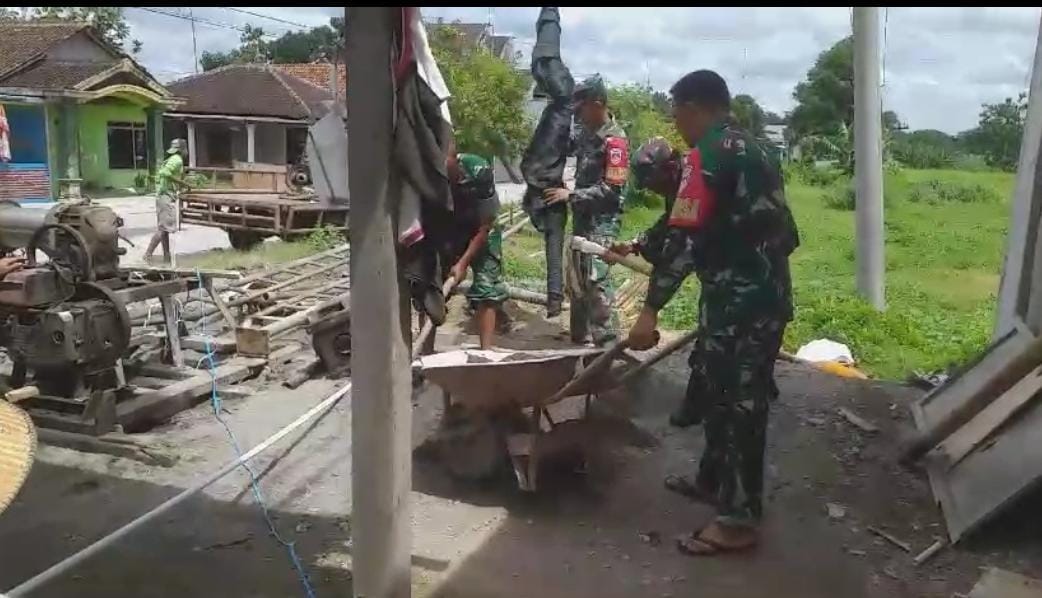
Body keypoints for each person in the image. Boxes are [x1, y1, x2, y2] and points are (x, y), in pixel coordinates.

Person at [623, 70, 799, 556]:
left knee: (741, 405)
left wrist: (649, 312)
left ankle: (740, 519)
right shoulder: (758, 147)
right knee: (721, 395)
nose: (676, 124)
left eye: (676, 112)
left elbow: (682, 238)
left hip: (742, 304)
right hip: (756, 295)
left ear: (693, 107)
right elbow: (785, 231)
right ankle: (714, 481)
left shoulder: (708, 155)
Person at [543, 75, 628, 346]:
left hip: (602, 222)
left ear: (598, 104)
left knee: (596, 279)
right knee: (577, 280)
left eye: (582, 108)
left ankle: (608, 347)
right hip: (582, 218)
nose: (578, 114)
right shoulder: (584, 132)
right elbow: (563, 144)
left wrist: (571, 195)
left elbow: (612, 191)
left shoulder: (615, 141)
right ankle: (579, 340)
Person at [446, 151, 508, 349]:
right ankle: (426, 353)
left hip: (483, 228)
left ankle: (485, 351)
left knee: (487, 287)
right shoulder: (429, 174)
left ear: (455, 159)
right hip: (451, 227)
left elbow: (485, 226)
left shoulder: (479, 171)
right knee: (433, 285)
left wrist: (462, 263)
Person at [144, 138, 188, 264]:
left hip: (162, 195)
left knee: (164, 229)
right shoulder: (177, 160)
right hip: (166, 196)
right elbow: (165, 173)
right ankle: (148, 254)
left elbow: (164, 173)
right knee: (163, 229)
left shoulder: (170, 159)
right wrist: (183, 183)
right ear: (183, 149)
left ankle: (167, 257)